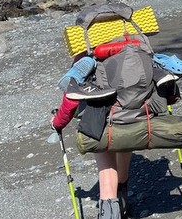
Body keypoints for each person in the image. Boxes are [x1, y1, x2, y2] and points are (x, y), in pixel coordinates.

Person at [52, 66, 134, 219]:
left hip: (101, 115)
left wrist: (58, 122)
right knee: (125, 141)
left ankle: (110, 210)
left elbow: (71, 97)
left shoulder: (87, 55)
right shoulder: (135, 45)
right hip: (135, 112)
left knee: (105, 157)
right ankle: (123, 199)